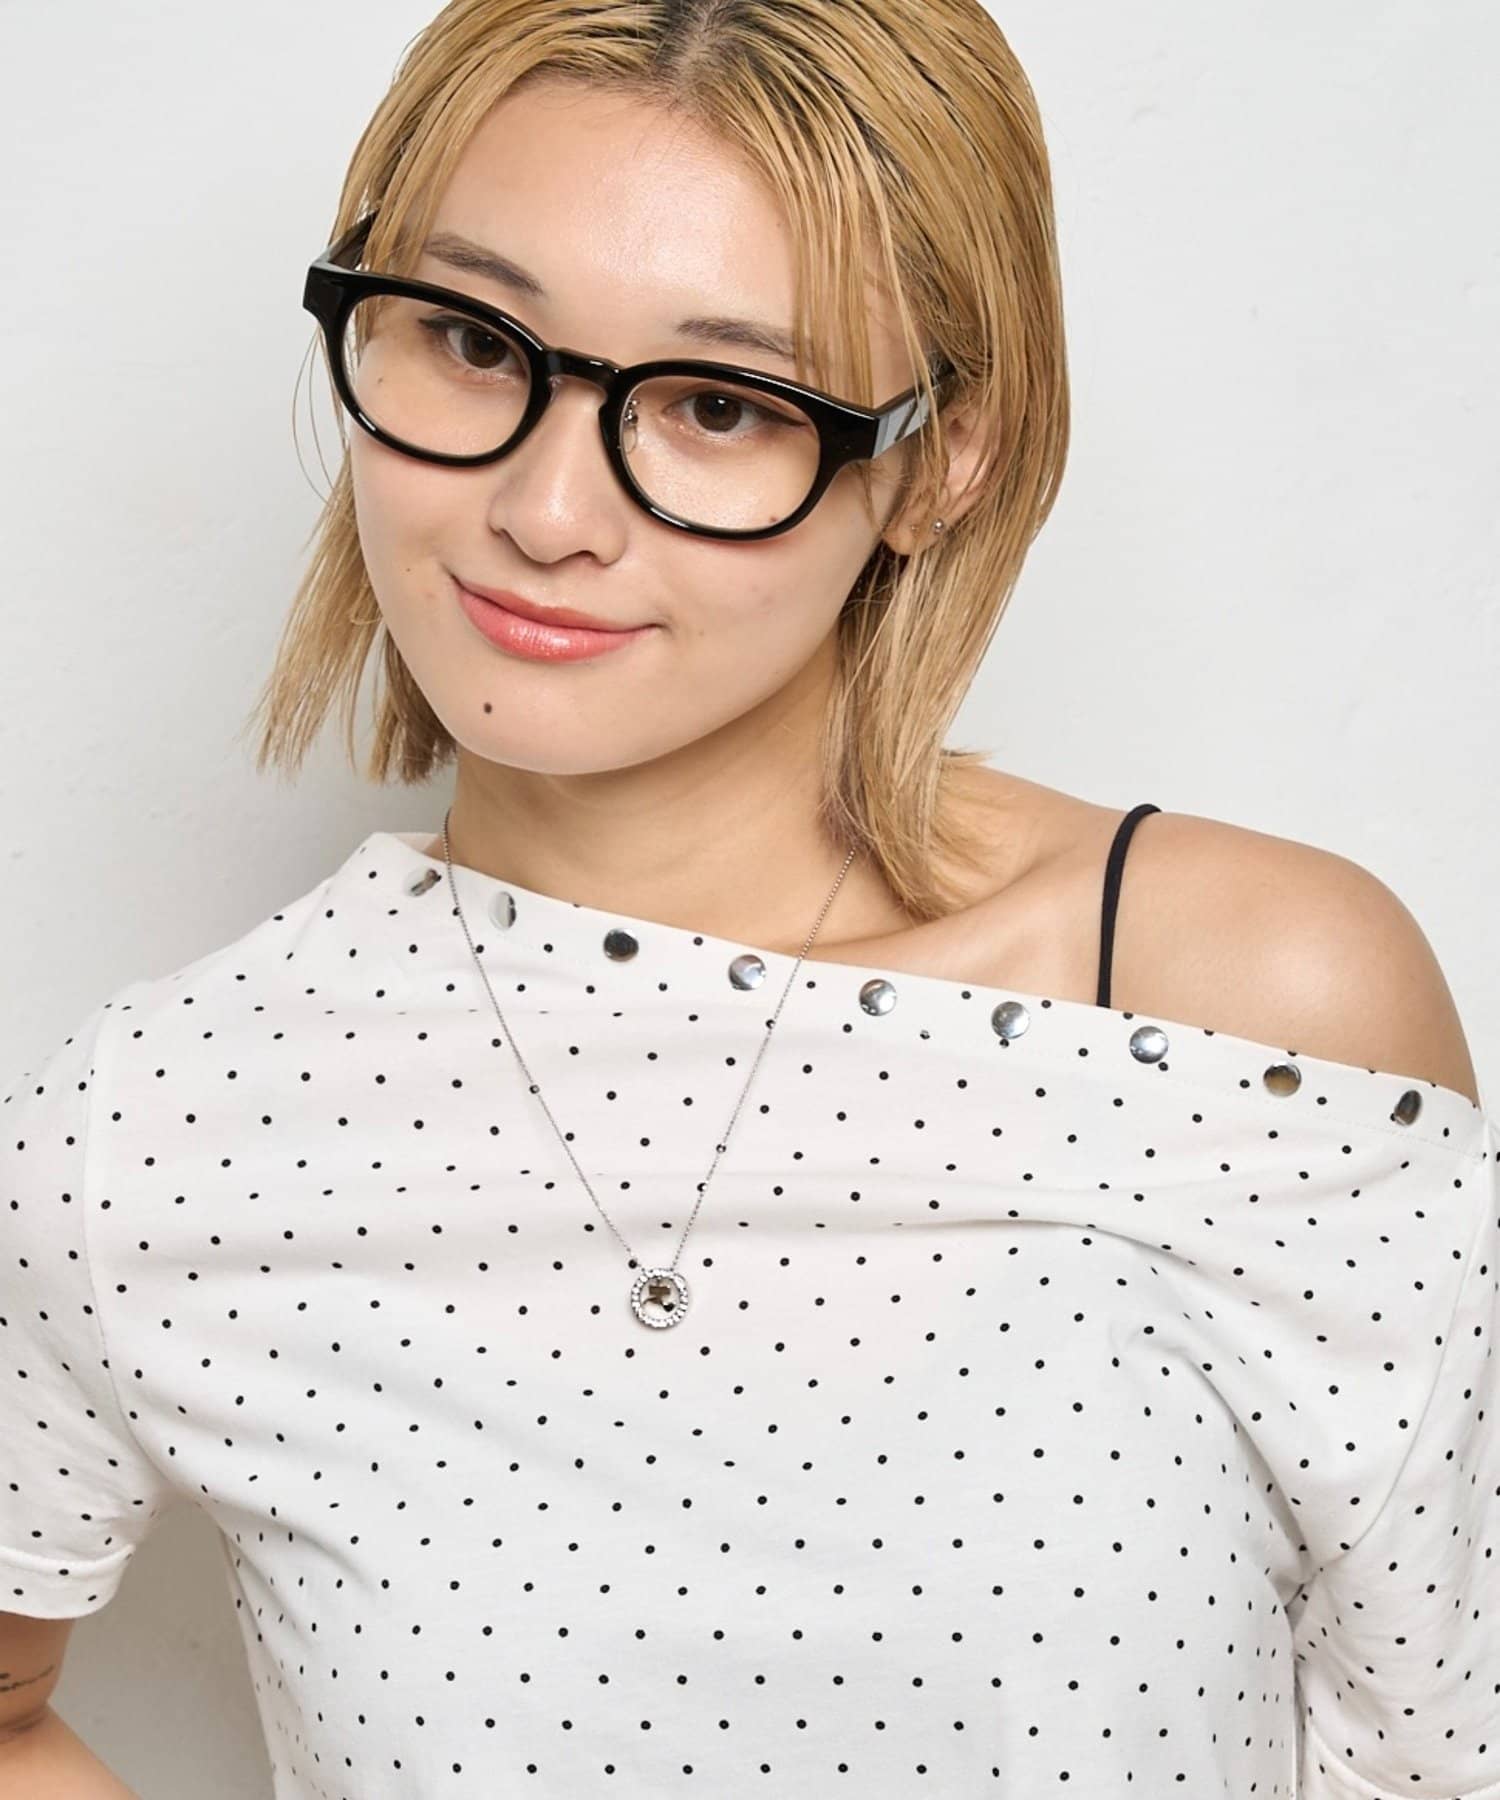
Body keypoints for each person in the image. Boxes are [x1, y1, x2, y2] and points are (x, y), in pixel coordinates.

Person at [1, 1, 1494, 1795]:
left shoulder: (1262, 1018)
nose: (549, 509)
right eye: (472, 339)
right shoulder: (156, 1128)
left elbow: (1451, 1741)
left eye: (719, 404)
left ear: (941, 461)